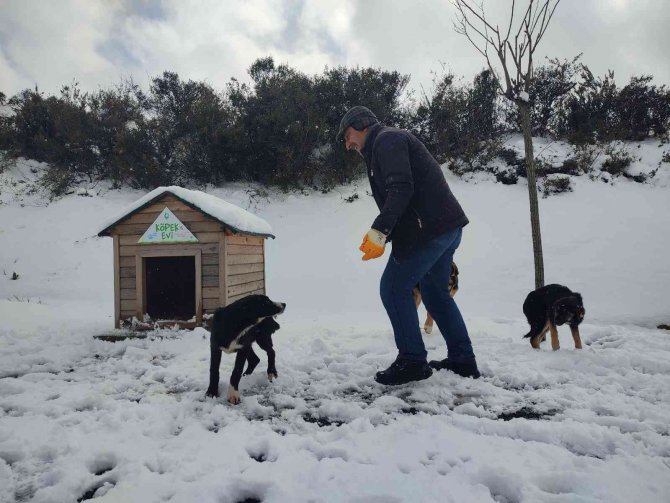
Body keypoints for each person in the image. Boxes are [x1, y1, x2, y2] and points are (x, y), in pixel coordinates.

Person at [336, 106, 481, 385]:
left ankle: (413, 360)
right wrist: (386, 234)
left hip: (426, 232)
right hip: (446, 229)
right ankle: (463, 360)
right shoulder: (386, 142)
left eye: (348, 135)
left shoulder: (386, 141)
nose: (347, 144)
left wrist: (380, 230)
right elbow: (404, 191)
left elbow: (401, 189)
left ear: (362, 124)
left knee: (393, 288)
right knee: (436, 294)